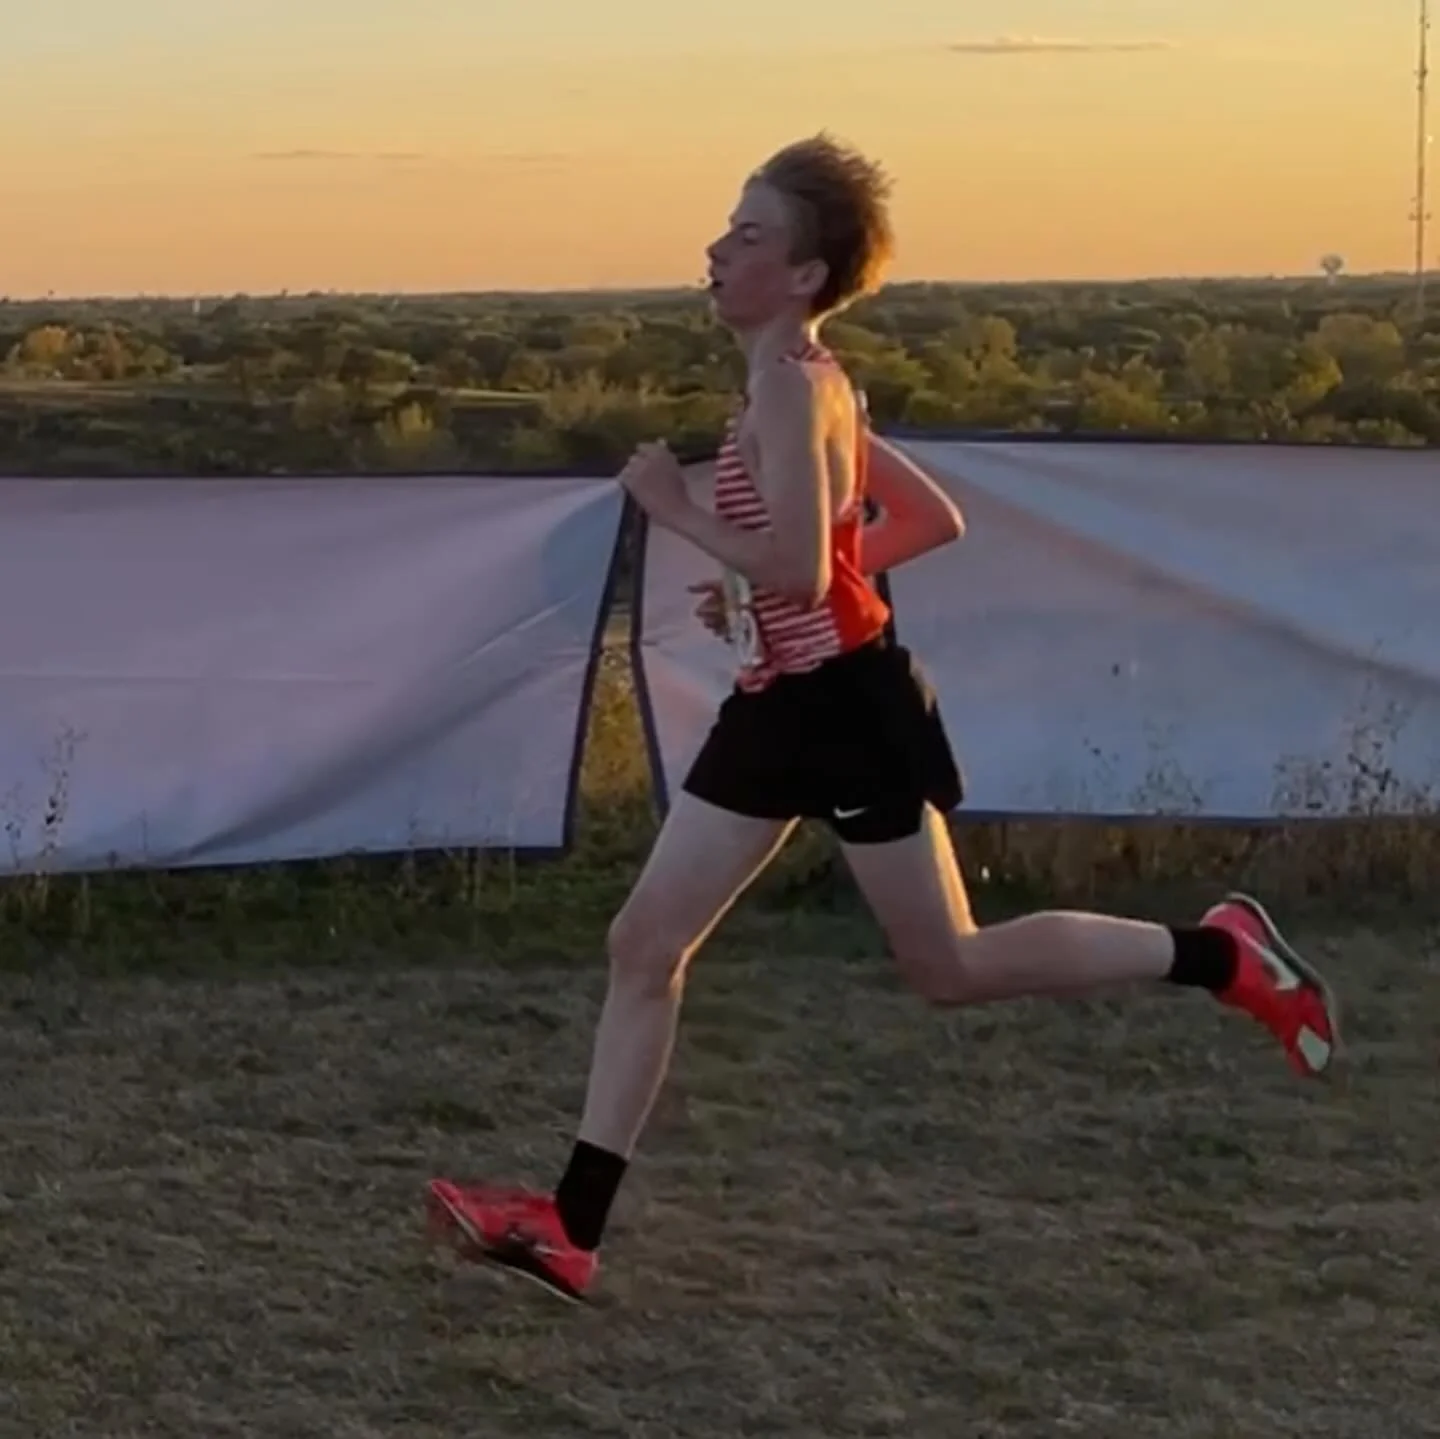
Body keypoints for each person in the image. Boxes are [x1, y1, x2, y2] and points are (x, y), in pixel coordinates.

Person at [425, 134, 1341, 1304]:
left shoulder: (788, 387)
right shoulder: (811, 379)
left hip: (848, 709)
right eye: (727, 227)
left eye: (748, 233)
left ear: (805, 273)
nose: (716, 248)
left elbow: (808, 568)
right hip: (778, 705)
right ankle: (569, 1225)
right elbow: (924, 520)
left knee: (949, 965)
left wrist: (676, 510)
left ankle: (1223, 954)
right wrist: (756, 579)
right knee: (644, 943)